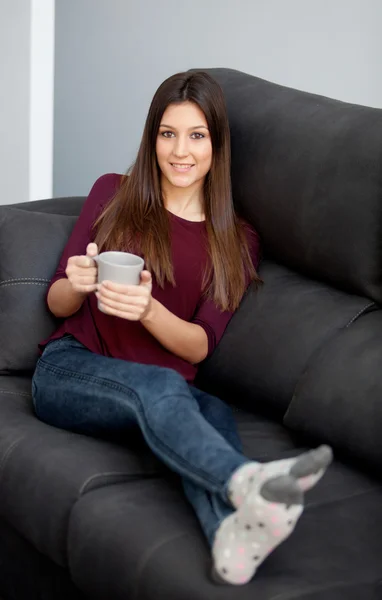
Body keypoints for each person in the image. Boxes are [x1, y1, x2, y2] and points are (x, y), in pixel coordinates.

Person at [31, 71, 332, 586]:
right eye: (167, 134)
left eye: (197, 136)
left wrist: (148, 310)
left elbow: (197, 347)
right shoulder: (113, 192)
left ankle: (229, 540)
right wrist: (78, 281)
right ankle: (246, 482)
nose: (180, 151)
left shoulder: (236, 241)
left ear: (217, 145)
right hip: (71, 370)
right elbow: (57, 300)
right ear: (152, 139)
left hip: (169, 391)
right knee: (169, 391)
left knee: (211, 414)